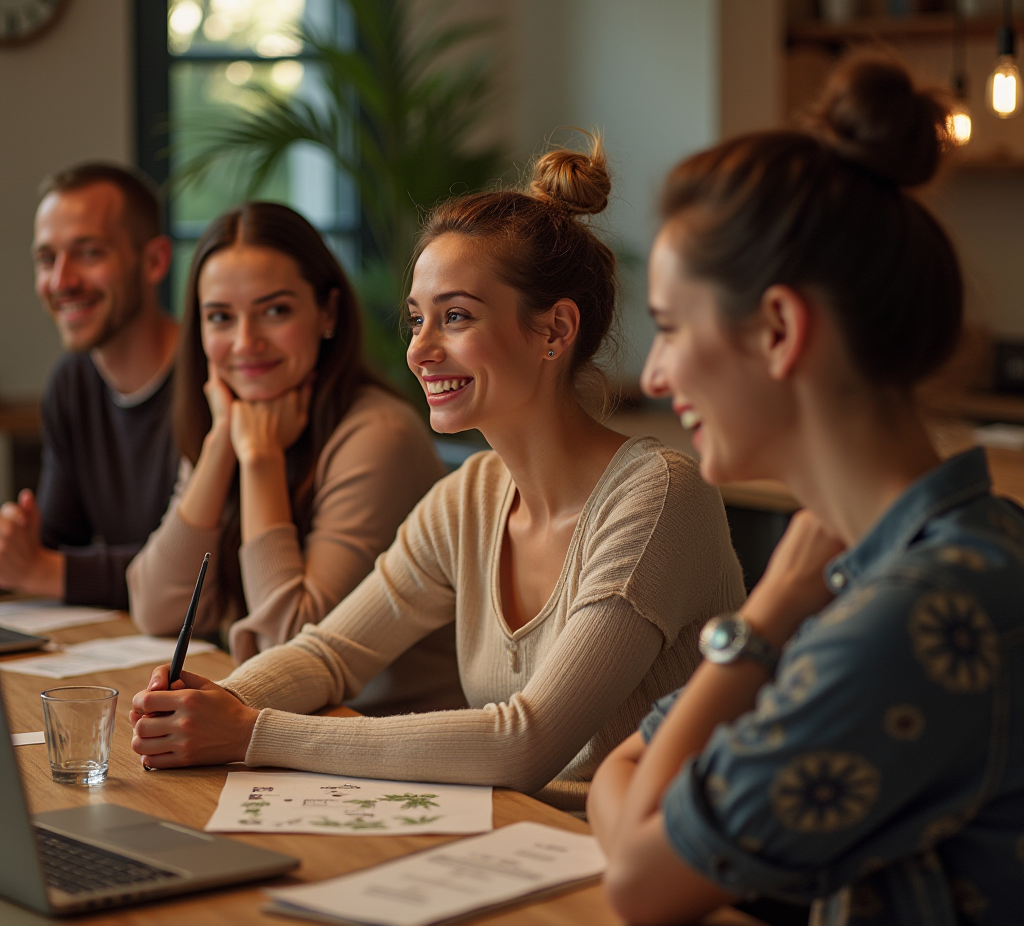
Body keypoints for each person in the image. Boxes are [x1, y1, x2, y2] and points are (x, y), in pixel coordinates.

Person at [128, 137, 746, 813]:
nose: (420, 350)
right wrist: (215, 700)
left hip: (640, 868)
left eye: (456, 317)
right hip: (518, 841)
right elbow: (330, 653)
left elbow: (525, 742)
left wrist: (250, 731)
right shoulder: (470, 497)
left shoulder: (658, 495)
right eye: (418, 318)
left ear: (554, 331)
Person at [588, 59, 1024, 925]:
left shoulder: (915, 608)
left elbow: (640, 878)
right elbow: (624, 772)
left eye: (671, 327)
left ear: (781, 329)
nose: (655, 372)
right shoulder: (893, 558)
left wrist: (755, 629)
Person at [127, 202, 459, 716]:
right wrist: (220, 447)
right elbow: (155, 609)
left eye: (275, 310)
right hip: (303, 734)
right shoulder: (237, 419)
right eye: (220, 317)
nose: (245, 343)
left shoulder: (378, 435)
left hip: (390, 739)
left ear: (327, 313)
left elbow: (291, 644)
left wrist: (259, 461)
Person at [0, 163, 179, 607]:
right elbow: (57, 546)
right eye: (46, 259)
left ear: (154, 260)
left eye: (89, 253)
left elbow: (201, 573)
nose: (61, 281)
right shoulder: (72, 381)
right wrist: (16, 551)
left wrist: (41, 569)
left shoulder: (213, 380)